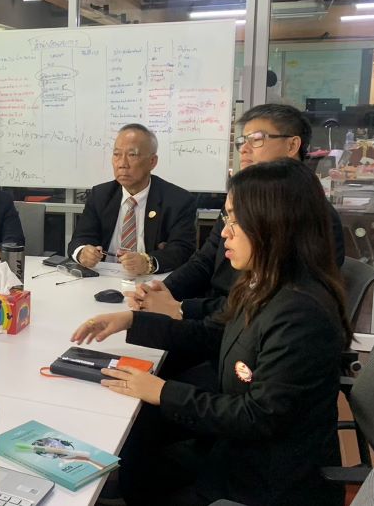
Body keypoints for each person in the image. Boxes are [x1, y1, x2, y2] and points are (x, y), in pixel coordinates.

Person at [71, 158, 350, 505]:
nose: (224, 232)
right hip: (236, 451)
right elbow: (212, 333)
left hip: (263, 482)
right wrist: (131, 321)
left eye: (235, 220)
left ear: (275, 224)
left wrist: (162, 391)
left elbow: (257, 416)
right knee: (144, 428)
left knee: (148, 420)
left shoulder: (300, 313)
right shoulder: (264, 282)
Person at [127, 104, 345, 320]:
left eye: (257, 139)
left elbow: (267, 302)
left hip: (240, 325)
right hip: (212, 313)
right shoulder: (239, 201)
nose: (244, 149)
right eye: (242, 141)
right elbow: (204, 261)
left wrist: (181, 308)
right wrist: (159, 291)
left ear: (292, 145)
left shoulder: (314, 216)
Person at [68, 123, 196, 276]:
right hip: (103, 277)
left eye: (132, 155)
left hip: (151, 281)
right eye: (117, 154)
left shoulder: (178, 201)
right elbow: (79, 239)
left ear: (152, 162)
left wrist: (148, 262)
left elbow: (182, 250)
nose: (122, 164)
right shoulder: (100, 195)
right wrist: (82, 252)